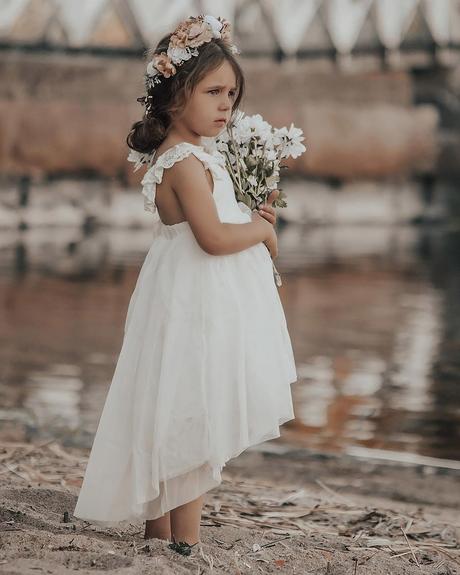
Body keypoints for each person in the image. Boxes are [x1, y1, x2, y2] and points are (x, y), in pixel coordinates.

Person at [73, 14, 297, 557]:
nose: (227, 106)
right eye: (214, 92)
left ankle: (161, 538)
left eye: (233, 95)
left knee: (176, 405)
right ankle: (185, 544)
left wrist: (247, 212)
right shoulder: (186, 161)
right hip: (196, 298)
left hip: (184, 291)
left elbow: (217, 224)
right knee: (195, 412)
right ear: (176, 93)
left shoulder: (189, 157)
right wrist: (262, 232)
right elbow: (215, 238)